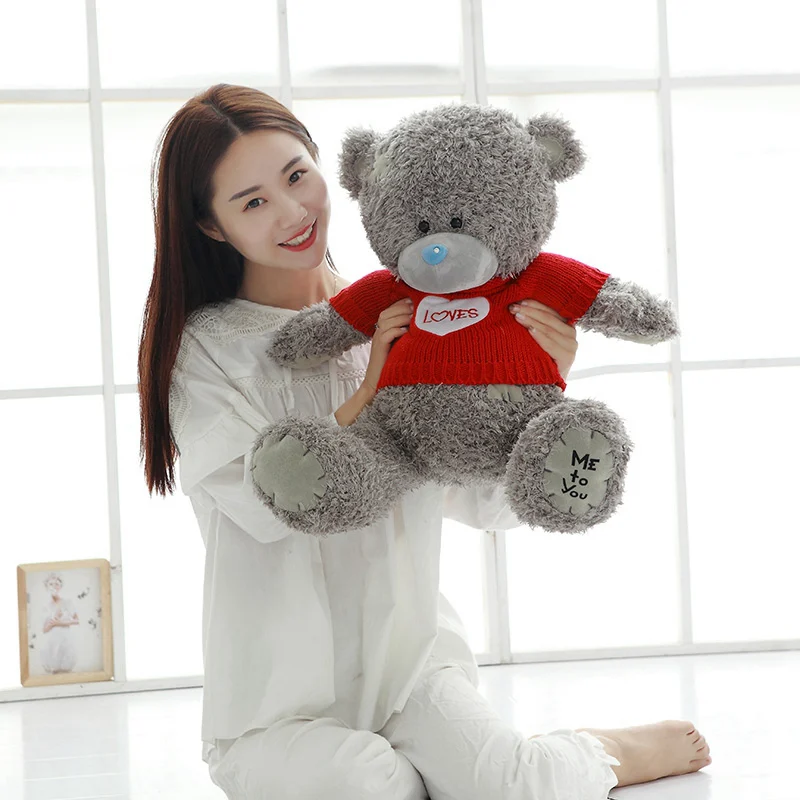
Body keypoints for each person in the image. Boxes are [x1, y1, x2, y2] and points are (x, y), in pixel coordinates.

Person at [138, 84, 711, 800]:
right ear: (212, 225)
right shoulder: (208, 348)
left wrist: (538, 386)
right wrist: (367, 393)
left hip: (411, 662)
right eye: (253, 202)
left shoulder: (421, 312)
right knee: (368, 785)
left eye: (296, 176)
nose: (292, 211)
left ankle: (605, 752)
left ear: (322, 163)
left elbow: (482, 504)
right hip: (276, 702)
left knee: (509, 786)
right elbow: (267, 505)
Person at [40, 572, 79, 674]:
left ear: (60, 586)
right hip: (52, 641)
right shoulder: (46, 606)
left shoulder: (67, 602)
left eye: (56, 584)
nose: (54, 586)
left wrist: (60, 622)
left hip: (66, 639)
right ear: (47, 586)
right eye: (51, 584)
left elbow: (76, 620)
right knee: (54, 668)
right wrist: (53, 622)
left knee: (66, 668)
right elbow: (45, 629)